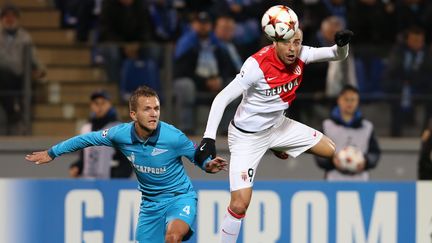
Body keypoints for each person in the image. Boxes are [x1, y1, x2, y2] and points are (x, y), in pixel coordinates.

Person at [194, 13, 354, 242]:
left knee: (330, 150)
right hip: (246, 137)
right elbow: (221, 98)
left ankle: (278, 146)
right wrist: (208, 138)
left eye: (297, 42)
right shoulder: (256, 65)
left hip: (279, 126)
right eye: (287, 42)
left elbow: (336, 55)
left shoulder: (302, 54)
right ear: (275, 41)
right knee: (239, 205)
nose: (292, 48)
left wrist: (342, 45)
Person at [25, 86, 227, 242]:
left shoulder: (173, 136)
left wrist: (208, 165)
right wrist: (52, 153)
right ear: (133, 114)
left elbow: (197, 156)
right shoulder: (119, 134)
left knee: (173, 237)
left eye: (156, 108)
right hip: (150, 206)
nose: (153, 114)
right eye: (147, 109)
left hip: (179, 198)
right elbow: (85, 139)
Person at [315, 85, 381, 181]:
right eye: (346, 99)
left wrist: (365, 162)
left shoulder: (367, 127)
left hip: (361, 181)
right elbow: (318, 154)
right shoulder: (327, 125)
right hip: (334, 180)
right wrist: (332, 161)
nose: (349, 103)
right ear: (339, 100)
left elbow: (374, 153)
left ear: (358, 101)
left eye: (353, 100)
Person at [0, 3, 45, 135]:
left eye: (12, 16)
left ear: (17, 19)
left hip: (18, 78)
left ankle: (13, 110)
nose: (9, 19)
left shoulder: (25, 38)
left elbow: (33, 58)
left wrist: (40, 70)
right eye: (6, 16)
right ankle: (13, 109)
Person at [69, 90, 133, 178]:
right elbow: (85, 157)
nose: (99, 107)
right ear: (91, 106)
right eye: (96, 103)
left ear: (109, 105)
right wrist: (77, 166)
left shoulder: (118, 129)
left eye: (103, 103)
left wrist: (116, 178)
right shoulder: (86, 129)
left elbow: (127, 161)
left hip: (109, 183)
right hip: (88, 182)